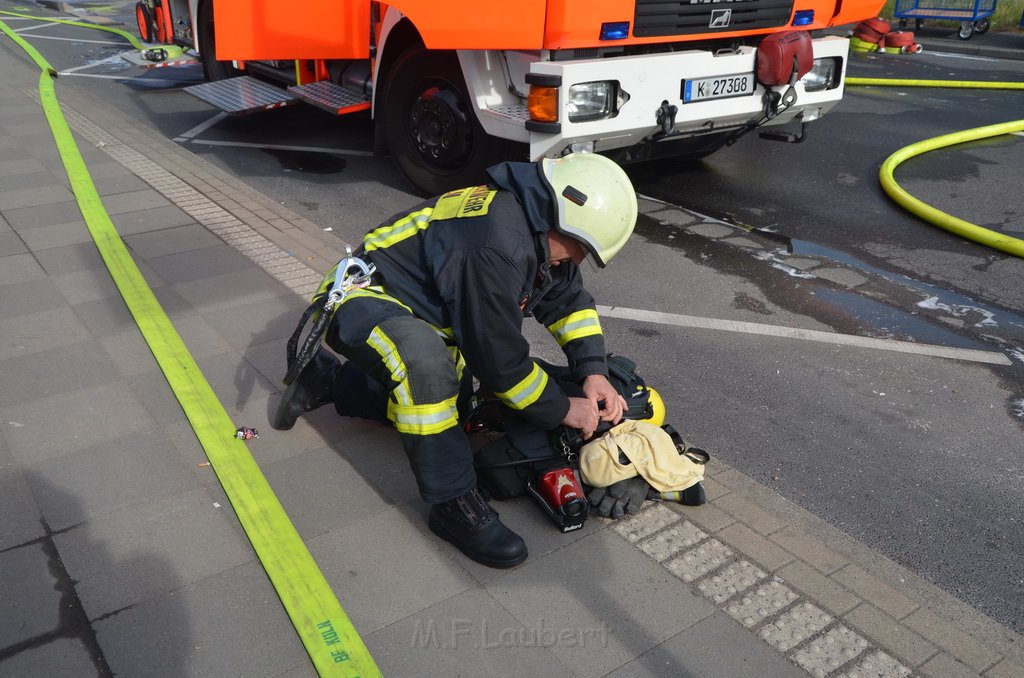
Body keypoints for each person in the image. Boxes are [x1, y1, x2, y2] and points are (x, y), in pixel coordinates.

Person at [271, 153, 638, 568]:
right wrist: (559, 408)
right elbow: (496, 357)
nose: (578, 261)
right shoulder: (494, 242)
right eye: (580, 249)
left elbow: (568, 301)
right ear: (562, 217)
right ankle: (453, 506)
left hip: (420, 312)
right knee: (424, 369)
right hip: (364, 298)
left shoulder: (536, 225)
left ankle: (327, 382)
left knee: (452, 409)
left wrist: (594, 372)